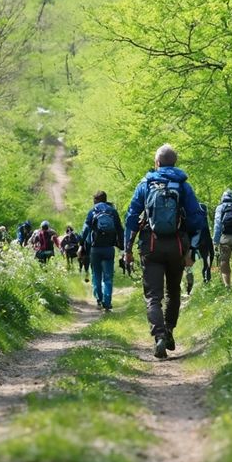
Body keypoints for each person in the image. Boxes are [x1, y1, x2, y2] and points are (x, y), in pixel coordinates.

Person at [124, 144, 206, 359]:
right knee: (173, 291)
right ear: (175, 162)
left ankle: (159, 336)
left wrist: (127, 249)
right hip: (177, 246)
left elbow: (131, 218)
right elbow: (197, 219)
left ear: (157, 162)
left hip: (151, 245)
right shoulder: (183, 186)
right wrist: (192, 250)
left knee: (153, 296)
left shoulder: (145, 184)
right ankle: (169, 330)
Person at [80, 191, 124, 311]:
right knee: (108, 277)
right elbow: (120, 230)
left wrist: (81, 243)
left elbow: (85, 229)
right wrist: (122, 247)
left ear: (95, 200)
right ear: (105, 199)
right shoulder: (112, 211)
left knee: (96, 274)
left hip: (95, 249)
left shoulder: (93, 211)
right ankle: (107, 302)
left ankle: (99, 298)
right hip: (109, 248)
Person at [184, 202, 214, 296]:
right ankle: (206, 279)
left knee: (188, 265)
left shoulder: (188, 212)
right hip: (205, 239)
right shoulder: (203, 210)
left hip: (191, 241)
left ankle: (189, 288)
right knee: (206, 260)